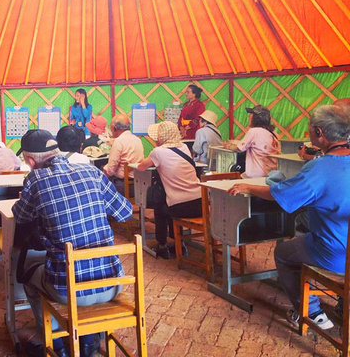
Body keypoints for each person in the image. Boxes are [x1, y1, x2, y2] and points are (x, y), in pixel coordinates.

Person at [227, 105, 350, 331]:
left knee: (284, 253)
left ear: (319, 132)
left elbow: (282, 194)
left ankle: (311, 312)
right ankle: (344, 304)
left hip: (335, 255)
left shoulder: (320, 169)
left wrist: (249, 187)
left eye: (309, 129)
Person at [12, 129, 133, 357]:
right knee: (85, 274)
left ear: (31, 161)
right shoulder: (92, 172)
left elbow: (20, 216)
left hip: (67, 290)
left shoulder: (35, 179)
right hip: (113, 283)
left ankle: (55, 345)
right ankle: (88, 344)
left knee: (29, 278)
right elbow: (125, 212)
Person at [137, 121, 202, 259]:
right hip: (199, 203)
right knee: (168, 202)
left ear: (161, 136)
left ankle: (162, 246)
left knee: (160, 207)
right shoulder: (184, 147)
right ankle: (179, 243)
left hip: (180, 207)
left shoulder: (158, 152)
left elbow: (141, 167)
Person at [224, 105, 280, 177]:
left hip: (256, 175)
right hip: (272, 174)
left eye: (251, 114)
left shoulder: (254, 131)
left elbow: (238, 148)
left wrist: (228, 146)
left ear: (257, 118)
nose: (249, 117)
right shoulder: (274, 133)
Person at [103, 114, 144, 194]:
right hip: (138, 184)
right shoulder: (137, 139)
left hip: (122, 185)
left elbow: (111, 170)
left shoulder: (119, 141)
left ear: (115, 128)